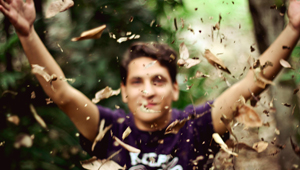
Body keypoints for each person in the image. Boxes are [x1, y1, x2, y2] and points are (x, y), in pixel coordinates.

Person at [0, 0, 300, 169]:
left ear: (174, 88)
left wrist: (293, 28)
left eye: (158, 80)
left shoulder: (196, 127)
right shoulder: (110, 129)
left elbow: (252, 82)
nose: (147, 90)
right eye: (137, 81)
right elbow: (62, 94)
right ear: (125, 90)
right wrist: (26, 33)